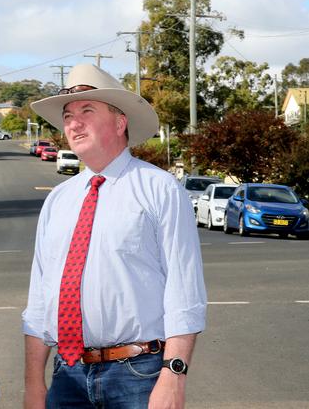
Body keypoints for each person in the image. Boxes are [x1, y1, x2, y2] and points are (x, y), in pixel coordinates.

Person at [22, 63, 207, 408]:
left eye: (87, 110)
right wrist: (34, 386)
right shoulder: (57, 201)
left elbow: (184, 292)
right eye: (67, 115)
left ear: (120, 122)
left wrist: (173, 376)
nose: (73, 123)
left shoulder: (160, 190)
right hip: (68, 377)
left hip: (139, 376)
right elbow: (38, 303)